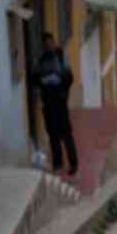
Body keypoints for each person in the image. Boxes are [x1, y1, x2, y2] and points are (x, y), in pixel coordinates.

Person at [32, 33, 78, 176]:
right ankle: (58, 163)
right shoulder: (41, 60)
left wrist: (61, 88)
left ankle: (73, 164)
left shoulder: (61, 56)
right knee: (53, 135)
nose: (49, 45)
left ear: (54, 42)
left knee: (66, 134)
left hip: (60, 101)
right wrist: (44, 83)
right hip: (48, 103)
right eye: (46, 44)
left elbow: (69, 77)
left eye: (50, 42)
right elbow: (35, 79)